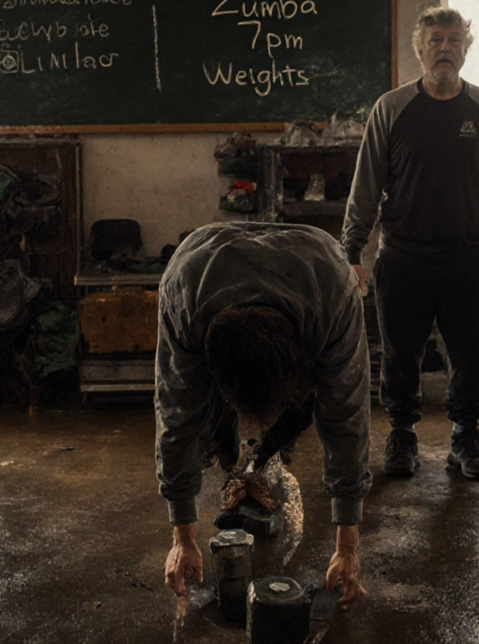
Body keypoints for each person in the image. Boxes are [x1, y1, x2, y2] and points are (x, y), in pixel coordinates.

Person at [340, 6, 479, 480]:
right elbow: (365, 186)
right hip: (403, 257)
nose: (445, 48)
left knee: (469, 353)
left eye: (454, 40)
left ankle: (465, 436)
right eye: (436, 40)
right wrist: (351, 252)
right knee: (401, 355)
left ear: (465, 49)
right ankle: (402, 434)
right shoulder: (392, 108)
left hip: (467, 257)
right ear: (420, 50)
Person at [157, 223, 370, 608]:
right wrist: (182, 538)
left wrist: (347, 547)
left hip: (315, 271)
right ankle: (236, 466)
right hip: (201, 267)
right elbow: (177, 416)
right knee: (201, 419)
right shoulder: (184, 296)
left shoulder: (334, 298)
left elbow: (346, 418)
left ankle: (262, 456)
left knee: (320, 405)